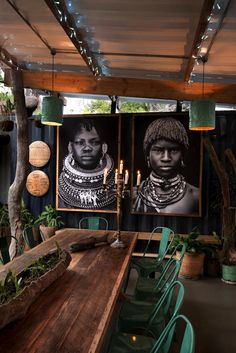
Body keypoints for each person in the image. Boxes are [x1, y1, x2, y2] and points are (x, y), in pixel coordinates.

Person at [133, 117, 199, 214]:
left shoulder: (196, 196)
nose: (166, 158)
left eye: (174, 150)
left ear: (183, 155)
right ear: (147, 155)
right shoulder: (135, 194)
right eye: (158, 150)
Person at [58, 119, 116, 209]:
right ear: (70, 147)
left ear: (103, 147)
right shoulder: (59, 189)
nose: (87, 148)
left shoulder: (116, 190)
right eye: (80, 143)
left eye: (94, 142)